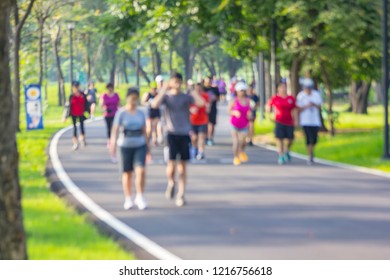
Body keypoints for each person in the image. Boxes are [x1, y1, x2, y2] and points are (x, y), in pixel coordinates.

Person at [151, 72, 205, 207]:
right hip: (171, 133)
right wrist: (164, 88)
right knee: (171, 166)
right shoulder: (167, 97)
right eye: (174, 81)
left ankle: (181, 194)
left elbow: (201, 103)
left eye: (178, 81)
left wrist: (191, 89)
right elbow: (154, 104)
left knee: (183, 166)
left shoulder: (186, 97)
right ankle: (171, 183)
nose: (176, 84)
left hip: (184, 133)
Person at [110, 88, 148, 210]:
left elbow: (144, 130)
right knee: (127, 173)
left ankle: (140, 196)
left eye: (136, 98)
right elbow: (115, 130)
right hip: (125, 145)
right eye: (132, 98)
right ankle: (128, 198)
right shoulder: (121, 113)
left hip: (139, 145)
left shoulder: (141, 113)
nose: (134, 101)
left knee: (140, 171)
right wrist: (113, 145)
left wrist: (148, 147)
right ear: (127, 98)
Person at [267, 81, 296, 165]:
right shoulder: (275, 98)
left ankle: (287, 150)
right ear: (278, 88)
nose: (283, 89)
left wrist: (296, 119)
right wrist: (269, 116)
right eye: (281, 87)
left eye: (284, 87)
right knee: (280, 139)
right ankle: (281, 155)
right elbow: (269, 105)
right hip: (279, 121)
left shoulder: (290, 98)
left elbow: (294, 109)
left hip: (289, 121)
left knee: (290, 139)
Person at [296, 78, 323, 165]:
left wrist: (314, 104)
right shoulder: (301, 96)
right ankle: (309, 155)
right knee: (308, 138)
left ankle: (312, 151)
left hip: (315, 121)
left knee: (314, 139)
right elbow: (298, 109)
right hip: (305, 121)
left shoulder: (316, 95)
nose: (308, 89)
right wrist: (306, 106)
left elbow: (320, 106)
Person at [229, 81, 252, 166]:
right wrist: (234, 113)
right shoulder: (234, 101)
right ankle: (236, 157)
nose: (241, 92)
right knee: (236, 142)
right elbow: (229, 111)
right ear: (236, 91)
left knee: (243, 141)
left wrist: (249, 114)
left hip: (244, 124)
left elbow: (249, 110)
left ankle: (242, 152)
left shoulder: (247, 101)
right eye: (240, 90)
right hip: (234, 124)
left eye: (243, 90)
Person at [64, 81, 88, 151]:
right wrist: (65, 116)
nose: (76, 87)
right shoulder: (71, 96)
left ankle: (82, 139)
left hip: (81, 113)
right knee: (74, 128)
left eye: (77, 86)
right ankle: (75, 143)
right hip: (73, 113)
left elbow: (86, 104)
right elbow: (68, 106)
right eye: (75, 86)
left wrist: (88, 112)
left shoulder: (82, 95)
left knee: (82, 126)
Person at [190, 83, 210, 160]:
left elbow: (208, 105)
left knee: (201, 137)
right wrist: (190, 110)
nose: (198, 90)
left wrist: (208, 107)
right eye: (196, 88)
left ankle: (201, 152)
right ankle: (194, 149)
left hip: (203, 120)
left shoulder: (205, 96)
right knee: (194, 138)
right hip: (193, 120)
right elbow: (186, 106)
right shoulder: (190, 97)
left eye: (199, 88)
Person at [99, 83, 120, 149]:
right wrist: (104, 108)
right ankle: (109, 140)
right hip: (107, 114)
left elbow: (119, 104)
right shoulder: (104, 95)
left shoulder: (116, 95)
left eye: (111, 87)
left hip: (115, 113)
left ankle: (114, 140)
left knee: (114, 127)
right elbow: (101, 104)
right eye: (109, 88)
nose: (110, 89)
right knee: (109, 128)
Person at [142, 81, 161, 147]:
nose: (154, 90)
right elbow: (143, 102)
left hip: (156, 113)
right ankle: (147, 140)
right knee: (149, 128)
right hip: (149, 113)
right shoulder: (148, 94)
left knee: (155, 127)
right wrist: (149, 103)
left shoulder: (158, 94)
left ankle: (154, 141)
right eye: (153, 88)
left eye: (155, 88)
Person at [203, 76, 220, 146]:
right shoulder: (203, 89)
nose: (208, 83)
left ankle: (210, 138)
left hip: (213, 109)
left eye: (209, 81)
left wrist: (213, 98)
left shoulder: (215, 89)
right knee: (205, 124)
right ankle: (206, 137)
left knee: (211, 124)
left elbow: (218, 98)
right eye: (206, 81)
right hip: (204, 110)